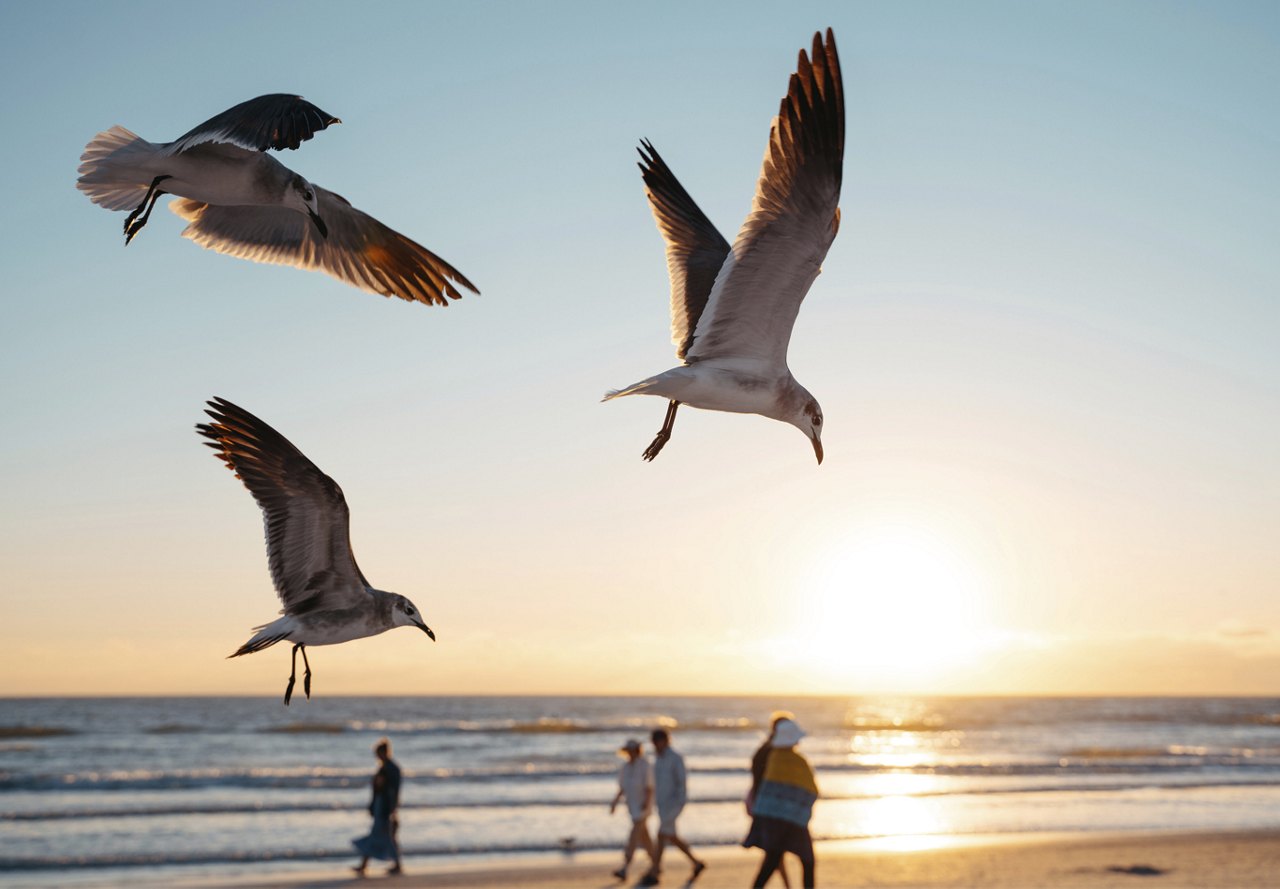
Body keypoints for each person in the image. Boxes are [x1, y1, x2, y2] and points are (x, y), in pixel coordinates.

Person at [744, 718, 817, 888]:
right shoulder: (798, 761)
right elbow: (811, 789)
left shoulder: (771, 756)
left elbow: (764, 787)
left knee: (772, 859)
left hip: (771, 819)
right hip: (793, 821)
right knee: (807, 860)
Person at [643, 728, 706, 885]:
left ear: (664, 741)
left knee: (661, 835)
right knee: (671, 837)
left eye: (657, 742)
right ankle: (696, 863)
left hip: (673, 805)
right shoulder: (658, 759)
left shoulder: (675, 758)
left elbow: (681, 784)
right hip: (662, 805)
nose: (656, 745)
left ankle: (655, 871)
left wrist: (678, 805)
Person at [746, 712, 795, 888]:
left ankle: (787, 885)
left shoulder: (766, 749)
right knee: (775, 851)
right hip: (771, 808)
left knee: (775, 851)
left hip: (762, 804)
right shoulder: (774, 752)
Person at [353, 738, 403, 876]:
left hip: (385, 806)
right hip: (382, 805)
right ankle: (366, 865)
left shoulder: (389, 769)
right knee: (385, 835)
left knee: (382, 835)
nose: (377, 757)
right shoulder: (387, 768)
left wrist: (392, 808)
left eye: (378, 753)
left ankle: (365, 865)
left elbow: (392, 790)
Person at [609, 738, 656, 882]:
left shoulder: (644, 765)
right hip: (632, 806)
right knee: (645, 838)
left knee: (633, 836)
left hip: (643, 806)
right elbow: (622, 787)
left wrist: (646, 803)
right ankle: (656, 864)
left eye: (633, 751)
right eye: (629, 751)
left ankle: (625, 867)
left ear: (637, 751)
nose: (631, 753)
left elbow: (649, 786)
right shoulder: (626, 767)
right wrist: (615, 802)